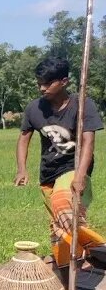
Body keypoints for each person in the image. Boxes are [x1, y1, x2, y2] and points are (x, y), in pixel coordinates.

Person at [15, 55, 106, 270]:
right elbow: (23, 138)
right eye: (39, 83)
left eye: (48, 83)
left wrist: (81, 176)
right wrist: (21, 169)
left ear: (64, 81)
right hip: (48, 174)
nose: (42, 88)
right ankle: (67, 286)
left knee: (62, 206)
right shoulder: (34, 109)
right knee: (58, 230)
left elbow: (88, 141)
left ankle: (99, 250)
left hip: (73, 168)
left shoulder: (83, 105)